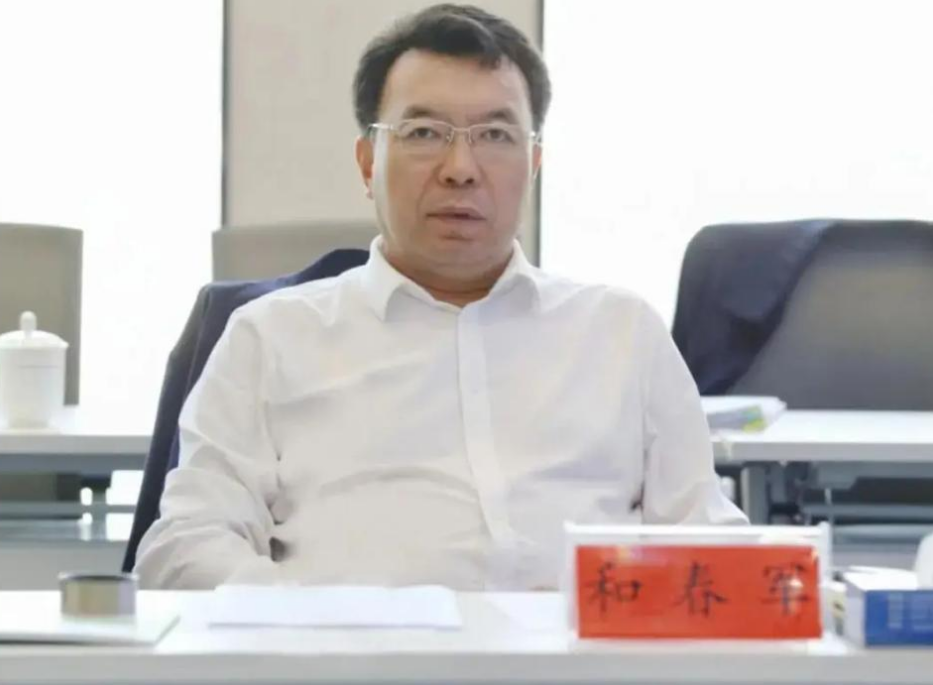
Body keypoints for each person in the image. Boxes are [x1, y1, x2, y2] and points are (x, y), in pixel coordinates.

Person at [136, 3, 746, 591]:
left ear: (533, 163)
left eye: (495, 135)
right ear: (367, 162)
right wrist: (321, 617)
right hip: (351, 651)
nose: (461, 168)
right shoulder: (270, 338)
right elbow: (186, 547)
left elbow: (709, 542)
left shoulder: (621, 332)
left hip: (573, 648)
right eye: (424, 132)